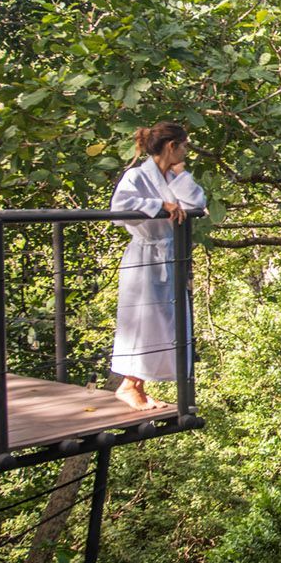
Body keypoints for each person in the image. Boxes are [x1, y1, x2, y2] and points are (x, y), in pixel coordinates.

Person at [109, 121, 205, 410]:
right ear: (171, 146)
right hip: (145, 256)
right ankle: (129, 385)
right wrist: (162, 206)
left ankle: (138, 385)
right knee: (141, 322)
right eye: (184, 145)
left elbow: (197, 202)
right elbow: (119, 208)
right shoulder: (136, 176)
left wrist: (180, 175)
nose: (186, 151)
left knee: (163, 323)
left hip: (169, 256)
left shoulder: (173, 176)